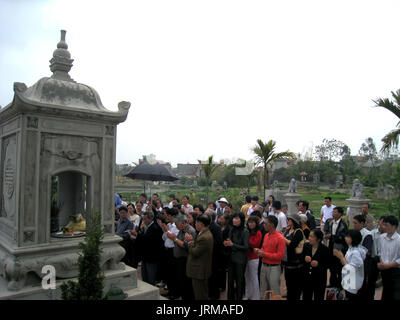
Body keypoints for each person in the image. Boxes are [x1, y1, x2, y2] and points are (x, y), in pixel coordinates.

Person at [166, 213, 196, 300]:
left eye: (176, 223)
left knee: (186, 282)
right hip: (179, 259)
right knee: (181, 281)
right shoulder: (181, 230)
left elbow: (186, 245)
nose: (175, 225)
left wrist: (174, 239)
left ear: (183, 222)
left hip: (185, 260)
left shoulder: (190, 231)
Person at [255, 215, 286, 299]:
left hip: (274, 268)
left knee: (274, 291)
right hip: (264, 266)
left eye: (265, 223)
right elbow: (264, 248)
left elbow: (280, 256)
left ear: (272, 225)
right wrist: (259, 251)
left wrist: (264, 254)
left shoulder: (280, 238)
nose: (264, 225)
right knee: (263, 290)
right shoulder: (266, 235)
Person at [186, 214, 214, 300]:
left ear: (201, 224)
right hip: (200, 269)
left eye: (196, 222)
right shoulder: (203, 233)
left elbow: (195, 252)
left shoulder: (205, 237)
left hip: (200, 271)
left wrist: (190, 242)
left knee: (200, 295)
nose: (195, 224)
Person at [132, 210, 164, 286]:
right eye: (143, 219)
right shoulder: (146, 227)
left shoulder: (155, 228)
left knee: (150, 277)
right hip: (145, 256)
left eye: (145, 219)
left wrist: (137, 234)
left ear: (150, 219)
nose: (144, 220)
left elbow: (149, 240)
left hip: (151, 257)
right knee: (144, 276)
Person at [333, 229, 366, 300]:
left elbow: (351, 268)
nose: (345, 238)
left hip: (353, 281)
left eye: (348, 237)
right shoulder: (351, 249)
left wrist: (341, 257)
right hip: (348, 280)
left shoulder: (356, 252)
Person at [224, 212, 249, 300]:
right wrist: (227, 243)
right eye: (234, 218)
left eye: (237, 218)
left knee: (239, 281)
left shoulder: (245, 231)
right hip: (231, 258)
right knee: (230, 281)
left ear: (241, 220)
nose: (234, 220)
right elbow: (230, 242)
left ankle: (239, 297)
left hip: (240, 259)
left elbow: (246, 247)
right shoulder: (232, 229)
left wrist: (232, 245)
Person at [158, 208, 180, 299]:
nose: (167, 217)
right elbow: (164, 237)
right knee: (168, 273)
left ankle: (175, 293)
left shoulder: (176, 226)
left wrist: (167, 231)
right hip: (167, 250)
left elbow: (173, 237)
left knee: (173, 273)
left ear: (173, 216)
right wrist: (164, 230)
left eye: (169, 216)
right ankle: (170, 291)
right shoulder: (168, 225)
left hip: (173, 251)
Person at [283, 212, 306, 301]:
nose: (288, 221)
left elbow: (292, 244)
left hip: (296, 262)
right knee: (289, 284)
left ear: (293, 221)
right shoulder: (288, 231)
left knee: (295, 286)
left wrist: (283, 238)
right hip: (287, 261)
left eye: (289, 220)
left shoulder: (298, 232)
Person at [324, 206, 348, 289]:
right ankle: (332, 282)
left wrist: (332, 236)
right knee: (331, 266)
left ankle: (340, 284)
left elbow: (343, 237)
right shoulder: (331, 222)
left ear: (340, 214)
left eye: (335, 212)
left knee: (339, 267)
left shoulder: (343, 224)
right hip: (331, 246)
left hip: (339, 247)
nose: (333, 213)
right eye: (333, 212)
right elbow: (327, 230)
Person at [302, 229, 330, 300]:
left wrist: (318, 264)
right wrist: (304, 258)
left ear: (318, 239)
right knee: (306, 296)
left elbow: (328, 264)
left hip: (319, 279)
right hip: (307, 277)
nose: (309, 238)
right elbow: (300, 258)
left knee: (319, 296)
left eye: (312, 237)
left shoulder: (325, 249)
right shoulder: (306, 246)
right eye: (309, 236)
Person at [377, 215, 400, 300]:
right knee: (386, 292)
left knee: (395, 294)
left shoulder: (398, 240)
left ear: (394, 226)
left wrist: (389, 265)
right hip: (384, 270)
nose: (384, 227)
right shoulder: (382, 237)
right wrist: (381, 262)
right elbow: (380, 252)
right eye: (384, 225)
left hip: (396, 271)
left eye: (387, 225)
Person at [353, 214, 374, 300]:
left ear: (362, 223)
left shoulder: (367, 234)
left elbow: (367, 251)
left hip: (363, 264)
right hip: (354, 263)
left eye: (356, 223)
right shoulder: (354, 233)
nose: (354, 225)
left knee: (361, 286)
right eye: (353, 223)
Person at [204, 208, 224, 300]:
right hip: (206, 256)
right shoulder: (205, 226)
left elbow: (218, 242)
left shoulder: (216, 227)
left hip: (214, 256)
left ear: (210, 217)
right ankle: (209, 293)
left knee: (213, 276)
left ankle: (214, 295)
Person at [244, 216, 262, 300]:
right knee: (247, 277)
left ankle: (256, 297)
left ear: (256, 223)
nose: (250, 224)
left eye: (252, 222)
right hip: (246, 256)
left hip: (254, 258)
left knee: (254, 277)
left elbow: (255, 244)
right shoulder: (247, 231)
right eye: (249, 222)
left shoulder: (258, 232)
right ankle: (248, 295)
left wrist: (246, 241)